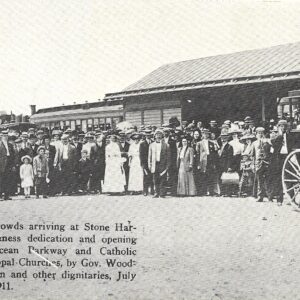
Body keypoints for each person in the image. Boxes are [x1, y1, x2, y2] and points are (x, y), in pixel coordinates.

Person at [269, 120, 292, 205]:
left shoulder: (290, 136)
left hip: (287, 157)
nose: (283, 128)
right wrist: (280, 135)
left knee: (289, 178)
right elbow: (273, 145)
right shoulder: (275, 136)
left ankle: (290, 198)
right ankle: (279, 199)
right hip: (278, 159)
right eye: (281, 126)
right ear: (278, 127)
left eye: (284, 126)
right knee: (278, 179)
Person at [196, 129, 220, 196]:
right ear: (202, 134)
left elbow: (215, 153)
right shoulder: (199, 143)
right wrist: (198, 163)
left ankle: (211, 191)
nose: (206, 135)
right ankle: (203, 191)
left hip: (210, 160)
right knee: (203, 176)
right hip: (203, 161)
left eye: (207, 134)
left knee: (211, 176)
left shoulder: (212, 143)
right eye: (204, 134)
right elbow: (198, 154)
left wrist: (214, 162)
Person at [148, 129, 171, 198]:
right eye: (157, 135)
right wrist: (150, 164)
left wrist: (167, 166)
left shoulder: (166, 145)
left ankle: (162, 193)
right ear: (154, 136)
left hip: (162, 164)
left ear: (162, 136)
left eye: (160, 134)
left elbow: (168, 157)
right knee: (155, 179)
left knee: (163, 178)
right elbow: (150, 156)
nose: (158, 136)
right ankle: (156, 192)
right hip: (155, 164)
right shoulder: (151, 145)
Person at [252, 127, 271, 202]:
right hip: (258, 163)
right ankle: (260, 196)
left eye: (261, 133)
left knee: (268, 180)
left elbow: (270, 152)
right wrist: (253, 165)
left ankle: (270, 196)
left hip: (266, 162)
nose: (260, 134)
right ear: (256, 134)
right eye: (258, 133)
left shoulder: (268, 141)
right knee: (260, 180)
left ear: (264, 134)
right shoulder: (254, 143)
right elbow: (253, 155)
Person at [218, 132, 234, 196]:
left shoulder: (229, 147)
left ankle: (227, 192)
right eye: (222, 137)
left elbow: (230, 158)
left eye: (225, 138)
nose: (223, 139)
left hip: (226, 165)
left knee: (227, 178)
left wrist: (229, 166)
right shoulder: (220, 146)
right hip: (220, 165)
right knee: (220, 178)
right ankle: (222, 191)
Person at [164, 128, 177, 196]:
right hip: (163, 161)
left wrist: (173, 161)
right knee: (164, 176)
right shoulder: (161, 141)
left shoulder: (172, 141)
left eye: (167, 132)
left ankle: (172, 191)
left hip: (170, 161)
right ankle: (163, 191)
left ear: (169, 133)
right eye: (164, 132)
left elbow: (174, 153)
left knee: (171, 175)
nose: (165, 133)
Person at [139, 129, 153, 196]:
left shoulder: (153, 142)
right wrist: (142, 164)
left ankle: (152, 190)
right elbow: (141, 155)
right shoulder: (142, 144)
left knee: (152, 176)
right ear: (145, 136)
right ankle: (145, 191)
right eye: (147, 135)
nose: (148, 136)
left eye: (149, 135)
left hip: (153, 162)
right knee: (146, 176)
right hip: (145, 162)